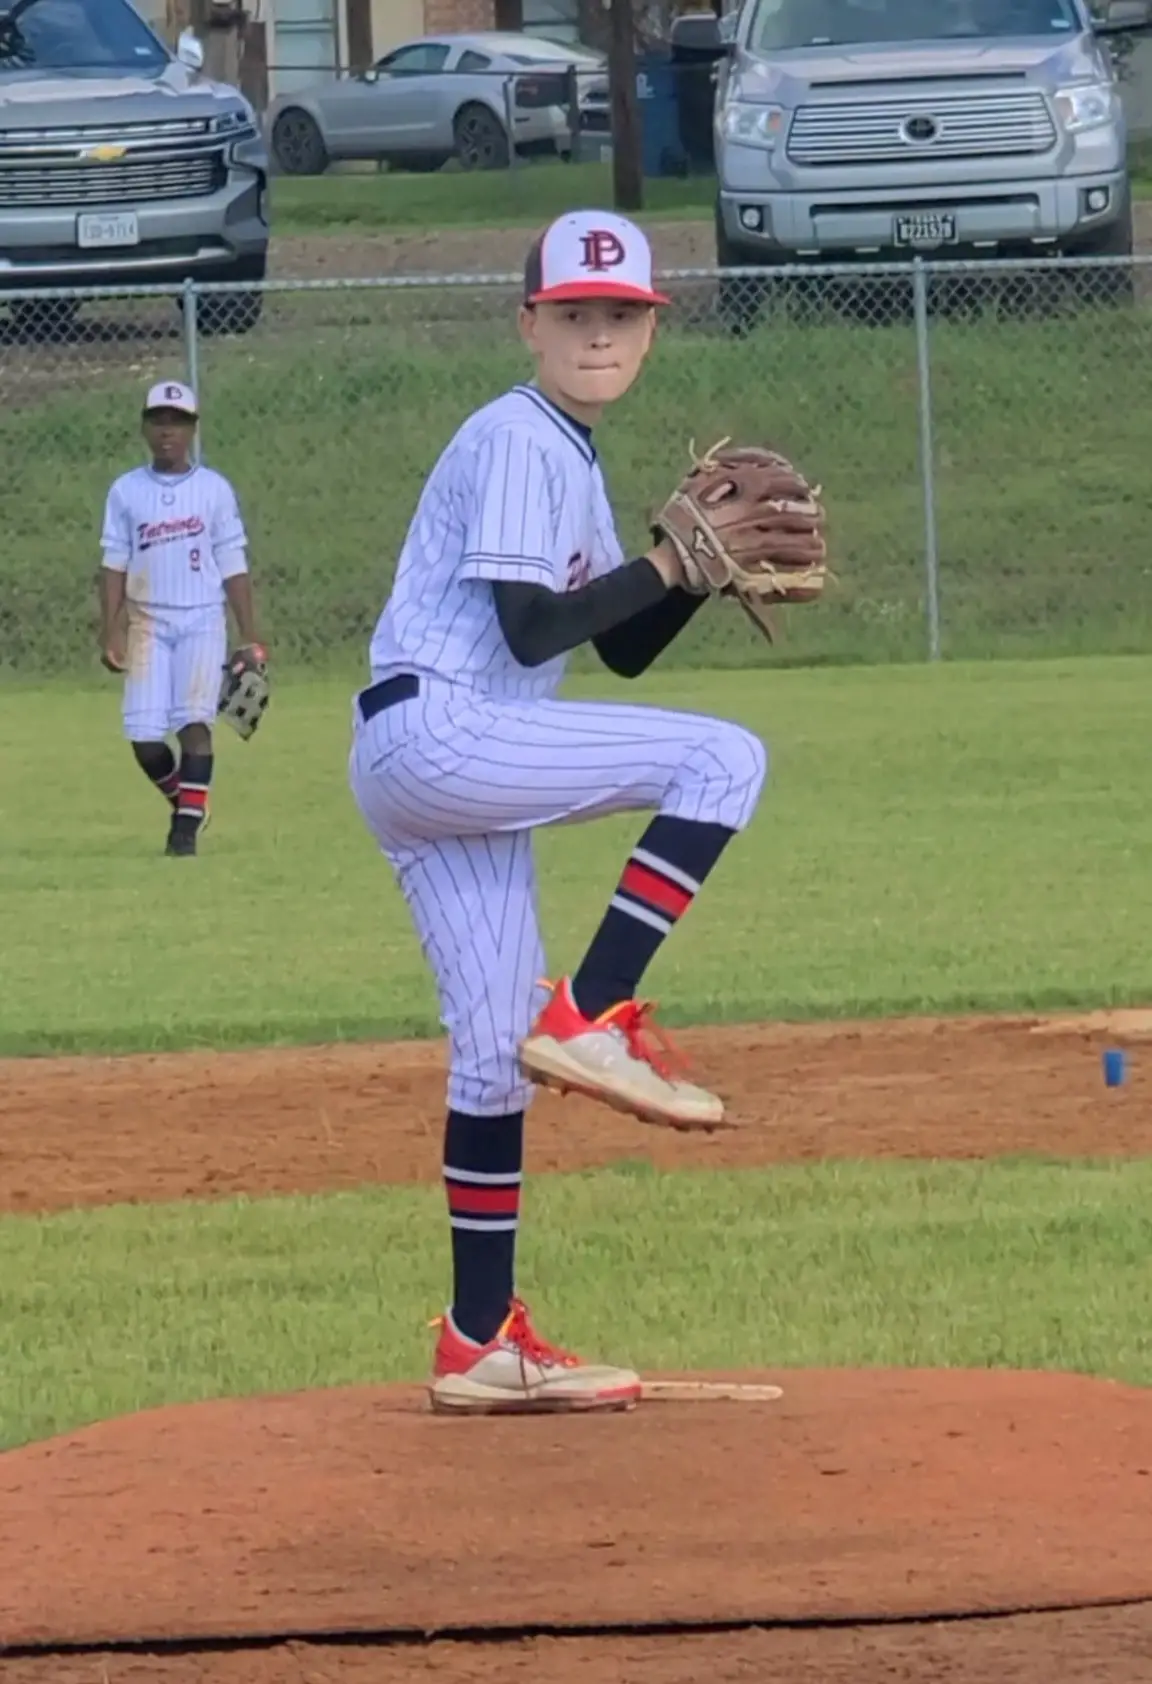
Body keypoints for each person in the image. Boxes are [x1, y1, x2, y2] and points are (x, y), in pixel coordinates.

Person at [348, 210, 768, 1415]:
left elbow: (617, 647)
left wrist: (689, 579)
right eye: (575, 313)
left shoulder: (567, 460)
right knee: (724, 759)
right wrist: (670, 564)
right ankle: (594, 1010)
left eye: (621, 315)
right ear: (528, 323)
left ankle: (479, 1341)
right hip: (448, 728)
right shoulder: (518, 436)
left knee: (494, 1057)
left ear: (649, 332)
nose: (599, 334)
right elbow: (533, 631)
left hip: (424, 756)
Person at [99, 381, 264, 857]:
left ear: (192, 429)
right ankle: (188, 803)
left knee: (194, 721)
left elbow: (232, 563)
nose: (167, 431)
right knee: (144, 736)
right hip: (146, 622)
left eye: (177, 422)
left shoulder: (213, 489)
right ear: (145, 428)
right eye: (159, 421)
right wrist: (110, 628)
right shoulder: (126, 491)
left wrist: (250, 636)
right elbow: (114, 563)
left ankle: (184, 832)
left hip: (201, 618)